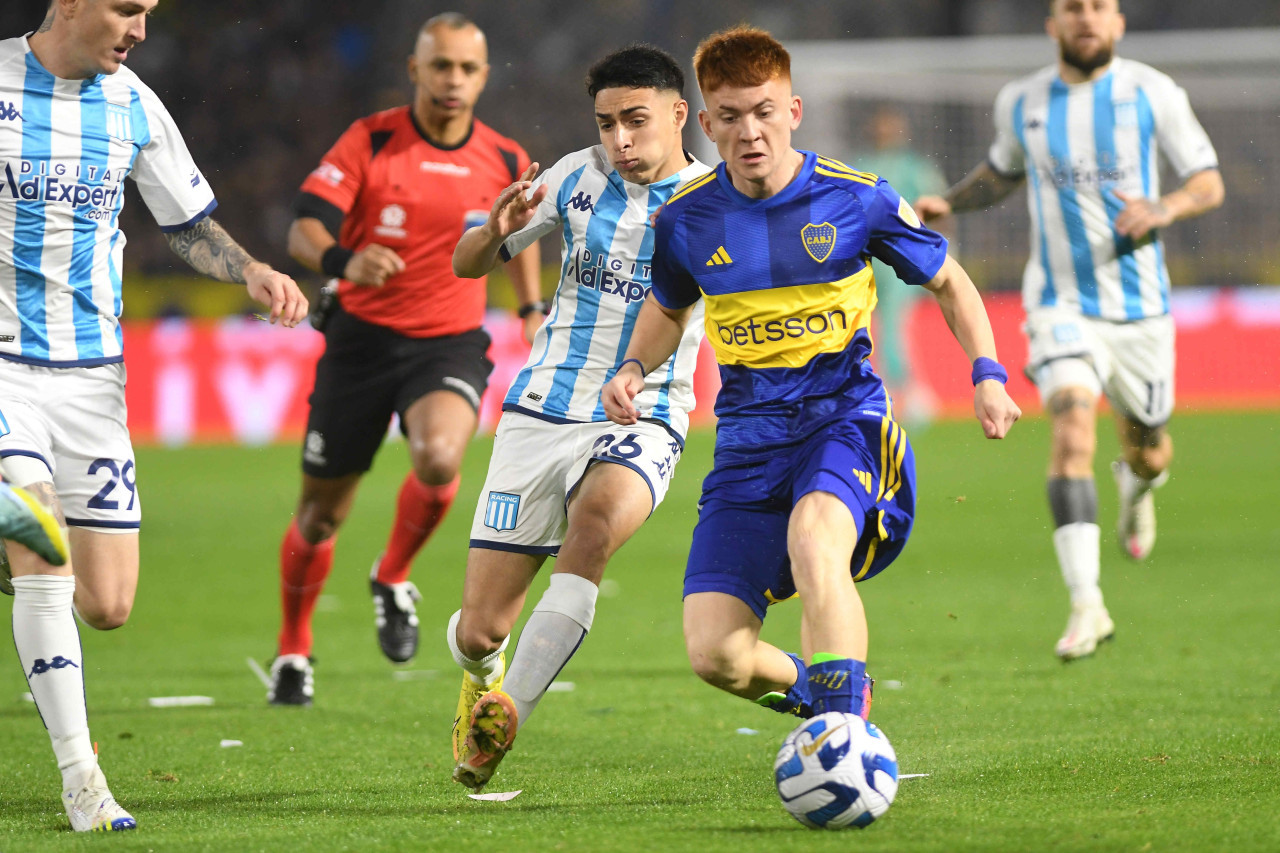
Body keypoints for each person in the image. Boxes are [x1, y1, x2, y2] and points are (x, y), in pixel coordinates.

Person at [602, 25, 1019, 734]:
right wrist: (634, 365)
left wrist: (988, 371)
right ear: (706, 124)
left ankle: (844, 736)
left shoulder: (858, 199)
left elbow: (948, 280)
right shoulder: (684, 223)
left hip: (842, 421)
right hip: (746, 446)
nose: (750, 131)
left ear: (793, 111)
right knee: (716, 654)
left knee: (814, 534)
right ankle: (828, 694)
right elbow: (668, 308)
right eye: (730, 116)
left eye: (765, 111)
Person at [1, 0, 308, 832]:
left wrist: (248, 270)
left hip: (93, 383)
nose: (139, 28)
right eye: (126, 8)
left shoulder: (133, 102)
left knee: (106, 602)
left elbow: (187, 223)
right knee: (43, 557)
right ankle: (83, 779)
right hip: (3, 377)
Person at [914, 0, 1224, 660]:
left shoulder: (1153, 93)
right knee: (1071, 427)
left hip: (1141, 310)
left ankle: (1137, 486)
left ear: (1118, 22)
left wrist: (1163, 206)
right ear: (1052, 24)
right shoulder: (1022, 100)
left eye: (1099, 7)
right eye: (1072, 8)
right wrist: (951, 201)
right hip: (1057, 304)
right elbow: (1004, 171)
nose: (1086, 18)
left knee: (1150, 450)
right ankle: (1088, 604)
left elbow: (1207, 181)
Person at [446, 43, 710, 791]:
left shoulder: (714, 198)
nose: (621, 140)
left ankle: (508, 714)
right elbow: (467, 265)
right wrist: (495, 229)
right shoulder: (570, 177)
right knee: (478, 629)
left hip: (647, 411)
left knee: (592, 527)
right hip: (541, 410)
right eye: (607, 124)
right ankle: (484, 672)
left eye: (636, 120)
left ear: (677, 114)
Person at [266, 12, 542, 706]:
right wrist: (344, 259)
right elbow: (303, 228)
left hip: (447, 341)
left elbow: (522, 232)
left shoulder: (504, 158)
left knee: (441, 458)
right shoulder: (372, 139)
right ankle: (294, 648)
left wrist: (531, 307)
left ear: (483, 76)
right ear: (415, 69)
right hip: (359, 343)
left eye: (467, 68)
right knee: (319, 517)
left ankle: (392, 575)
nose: (453, 79)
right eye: (440, 65)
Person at [856, 105, 949, 427]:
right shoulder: (861, 166)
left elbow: (935, 209)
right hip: (867, 263)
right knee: (867, 329)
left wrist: (937, 253)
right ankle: (885, 392)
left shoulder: (915, 168)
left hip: (902, 260)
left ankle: (909, 393)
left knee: (894, 327)